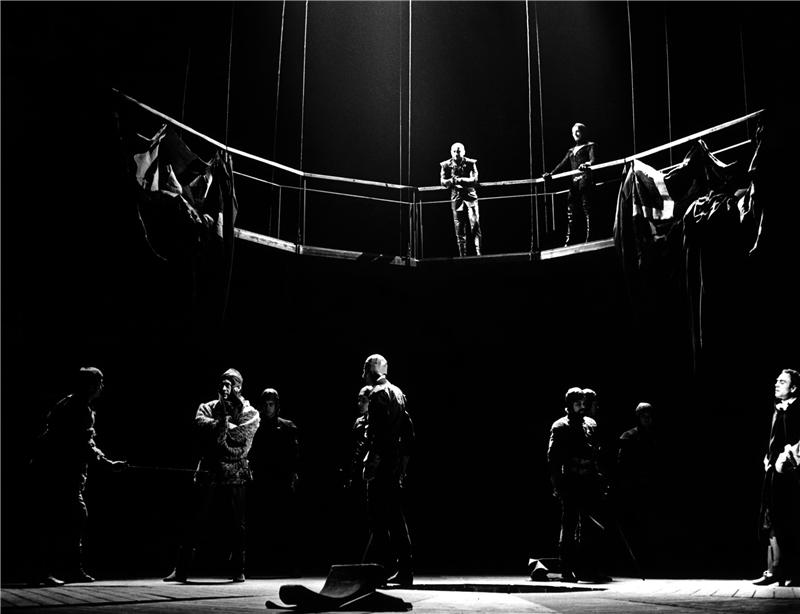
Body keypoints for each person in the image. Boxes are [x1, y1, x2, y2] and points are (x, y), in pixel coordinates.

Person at [27, 367, 127, 587]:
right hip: (57, 474)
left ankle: (66, 568)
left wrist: (105, 461)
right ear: (90, 385)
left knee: (69, 518)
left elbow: (85, 443)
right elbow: (80, 444)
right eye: (100, 382)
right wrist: (107, 463)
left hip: (63, 474)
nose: (102, 386)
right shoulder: (76, 408)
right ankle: (45, 571)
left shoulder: (74, 405)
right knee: (61, 519)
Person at [163, 368, 260, 583]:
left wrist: (218, 431)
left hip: (235, 474)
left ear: (239, 387)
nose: (225, 387)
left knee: (236, 523)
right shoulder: (206, 408)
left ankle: (238, 569)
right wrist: (224, 424)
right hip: (208, 471)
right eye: (222, 383)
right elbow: (200, 428)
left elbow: (241, 441)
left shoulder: (251, 413)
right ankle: (181, 569)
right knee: (193, 519)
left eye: (230, 383)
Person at [361, 354, 415, 587]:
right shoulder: (399, 393)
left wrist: (371, 465)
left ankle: (379, 571)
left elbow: (377, 434)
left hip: (382, 463)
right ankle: (405, 569)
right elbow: (408, 433)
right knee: (395, 517)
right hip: (393, 462)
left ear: (369, 371)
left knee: (379, 520)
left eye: (364, 370)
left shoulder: (377, 394)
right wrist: (402, 466)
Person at [547, 387, 610, 583]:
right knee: (570, 525)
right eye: (577, 403)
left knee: (590, 528)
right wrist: (557, 484)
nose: (582, 406)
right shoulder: (560, 426)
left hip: (589, 481)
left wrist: (601, 478)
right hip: (571, 481)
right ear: (569, 404)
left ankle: (588, 569)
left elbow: (597, 453)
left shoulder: (590, 423)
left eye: (583, 403)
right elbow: (553, 459)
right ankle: (567, 569)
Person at [754, 368, 800, 586]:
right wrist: (769, 459)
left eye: (782, 382)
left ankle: (791, 571)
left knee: (790, 519)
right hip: (774, 472)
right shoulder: (778, 409)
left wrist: (788, 457)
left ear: (794, 388)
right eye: (777, 381)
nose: (776, 384)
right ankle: (774, 570)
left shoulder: (797, 409)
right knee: (770, 518)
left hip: (791, 473)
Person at [247, 387, 300, 576]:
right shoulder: (254, 427)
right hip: (261, 481)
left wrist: (293, 475)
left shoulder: (288, 427)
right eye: (265, 404)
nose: (268, 407)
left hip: (282, 482)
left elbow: (294, 455)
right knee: (261, 523)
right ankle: (259, 565)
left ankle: (287, 565)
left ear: (276, 406)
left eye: (271, 404)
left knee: (284, 523)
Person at [616, 402, 660, 575]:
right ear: (638, 417)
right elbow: (622, 465)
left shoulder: (656, 436)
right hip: (634, 490)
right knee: (635, 527)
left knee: (651, 527)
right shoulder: (628, 437)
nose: (647, 419)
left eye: (649, 416)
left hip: (652, 489)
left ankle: (651, 562)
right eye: (643, 416)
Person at [544, 123, 597, 246]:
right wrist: (550, 174)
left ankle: (590, 237)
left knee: (587, 208)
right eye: (573, 132)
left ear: (583, 132)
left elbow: (593, 159)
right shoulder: (571, 151)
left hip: (585, 179)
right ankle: (569, 240)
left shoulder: (590, 145)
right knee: (571, 210)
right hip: (574, 182)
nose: (576, 134)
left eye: (578, 131)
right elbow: (562, 164)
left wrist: (587, 164)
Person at [440, 142, 481, 257]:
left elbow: (475, 179)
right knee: (459, 229)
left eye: (458, 151)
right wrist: (451, 181)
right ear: (451, 152)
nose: (456, 154)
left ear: (463, 152)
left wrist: (459, 180)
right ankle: (462, 256)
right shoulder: (446, 165)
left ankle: (479, 254)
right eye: (454, 151)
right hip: (456, 198)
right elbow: (442, 181)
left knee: (475, 225)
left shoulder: (470, 163)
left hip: (470, 197)